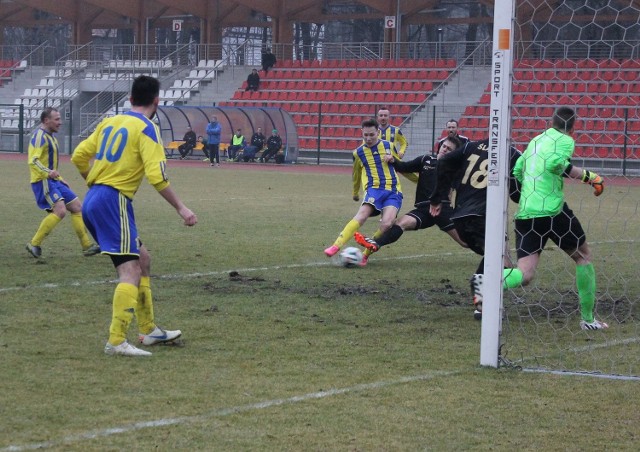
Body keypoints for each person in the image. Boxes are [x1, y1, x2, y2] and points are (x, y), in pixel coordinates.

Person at [71, 75, 198, 356]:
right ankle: (116, 340)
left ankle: (149, 329)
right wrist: (182, 208)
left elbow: (78, 156)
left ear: (130, 100)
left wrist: (93, 181)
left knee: (143, 259)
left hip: (96, 198)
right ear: (156, 101)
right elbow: (158, 178)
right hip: (113, 200)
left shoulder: (110, 121)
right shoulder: (148, 129)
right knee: (129, 271)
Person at [501, 106, 608, 330]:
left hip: (526, 213)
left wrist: (530, 193)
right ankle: (588, 320)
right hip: (553, 212)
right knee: (583, 256)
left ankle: (485, 280)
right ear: (573, 125)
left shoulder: (535, 140)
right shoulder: (565, 140)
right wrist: (591, 177)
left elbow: (518, 171)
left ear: (551, 121)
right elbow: (555, 165)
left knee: (524, 273)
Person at [429, 137, 522, 320]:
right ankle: (480, 284)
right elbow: (515, 193)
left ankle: (481, 305)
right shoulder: (510, 153)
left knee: (497, 258)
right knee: (503, 261)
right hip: (484, 216)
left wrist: (437, 196)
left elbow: (444, 161)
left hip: (460, 216)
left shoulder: (469, 147)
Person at [354, 136, 467, 263]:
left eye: (449, 149)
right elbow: (404, 167)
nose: (445, 150)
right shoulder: (426, 160)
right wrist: (393, 160)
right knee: (400, 223)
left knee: (465, 242)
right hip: (424, 210)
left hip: (442, 210)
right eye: (444, 146)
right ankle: (376, 244)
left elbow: (462, 189)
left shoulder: (455, 169)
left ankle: (489, 252)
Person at [324, 118, 402, 266]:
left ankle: (365, 255)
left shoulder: (389, 146)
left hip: (393, 191)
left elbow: (402, 166)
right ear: (361, 133)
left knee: (387, 224)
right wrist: (355, 192)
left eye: (371, 134)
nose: (368, 138)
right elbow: (356, 174)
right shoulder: (358, 153)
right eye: (365, 135)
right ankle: (336, 245)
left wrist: (419, 179)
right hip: (374, 189)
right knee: (361, 216)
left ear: (378, 132)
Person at [25, 107, 100, 259]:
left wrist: (59, 178)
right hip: (43, 180)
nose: (60, 122)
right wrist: (48, 173)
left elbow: (49, 163)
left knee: (78, 207)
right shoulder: (40, 136)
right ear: (46, 120)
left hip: (53, 180)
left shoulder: (50, 136)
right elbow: (33, 160)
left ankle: (86, 246)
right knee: (60, 211)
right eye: (57, 119)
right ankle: (34, 243)